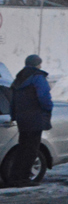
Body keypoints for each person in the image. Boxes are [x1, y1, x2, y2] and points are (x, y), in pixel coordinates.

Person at [9, 54, 53, 187]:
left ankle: (14, 176)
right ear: (37, 64)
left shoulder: (18, 79)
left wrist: (14, 115)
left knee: (23, 147)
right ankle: (23, 178)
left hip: (22, 119)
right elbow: (44, 96)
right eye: (39, 63)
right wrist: (48, 108)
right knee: (32, 149)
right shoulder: (37, 77)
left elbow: (12, 100)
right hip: (35, 117)